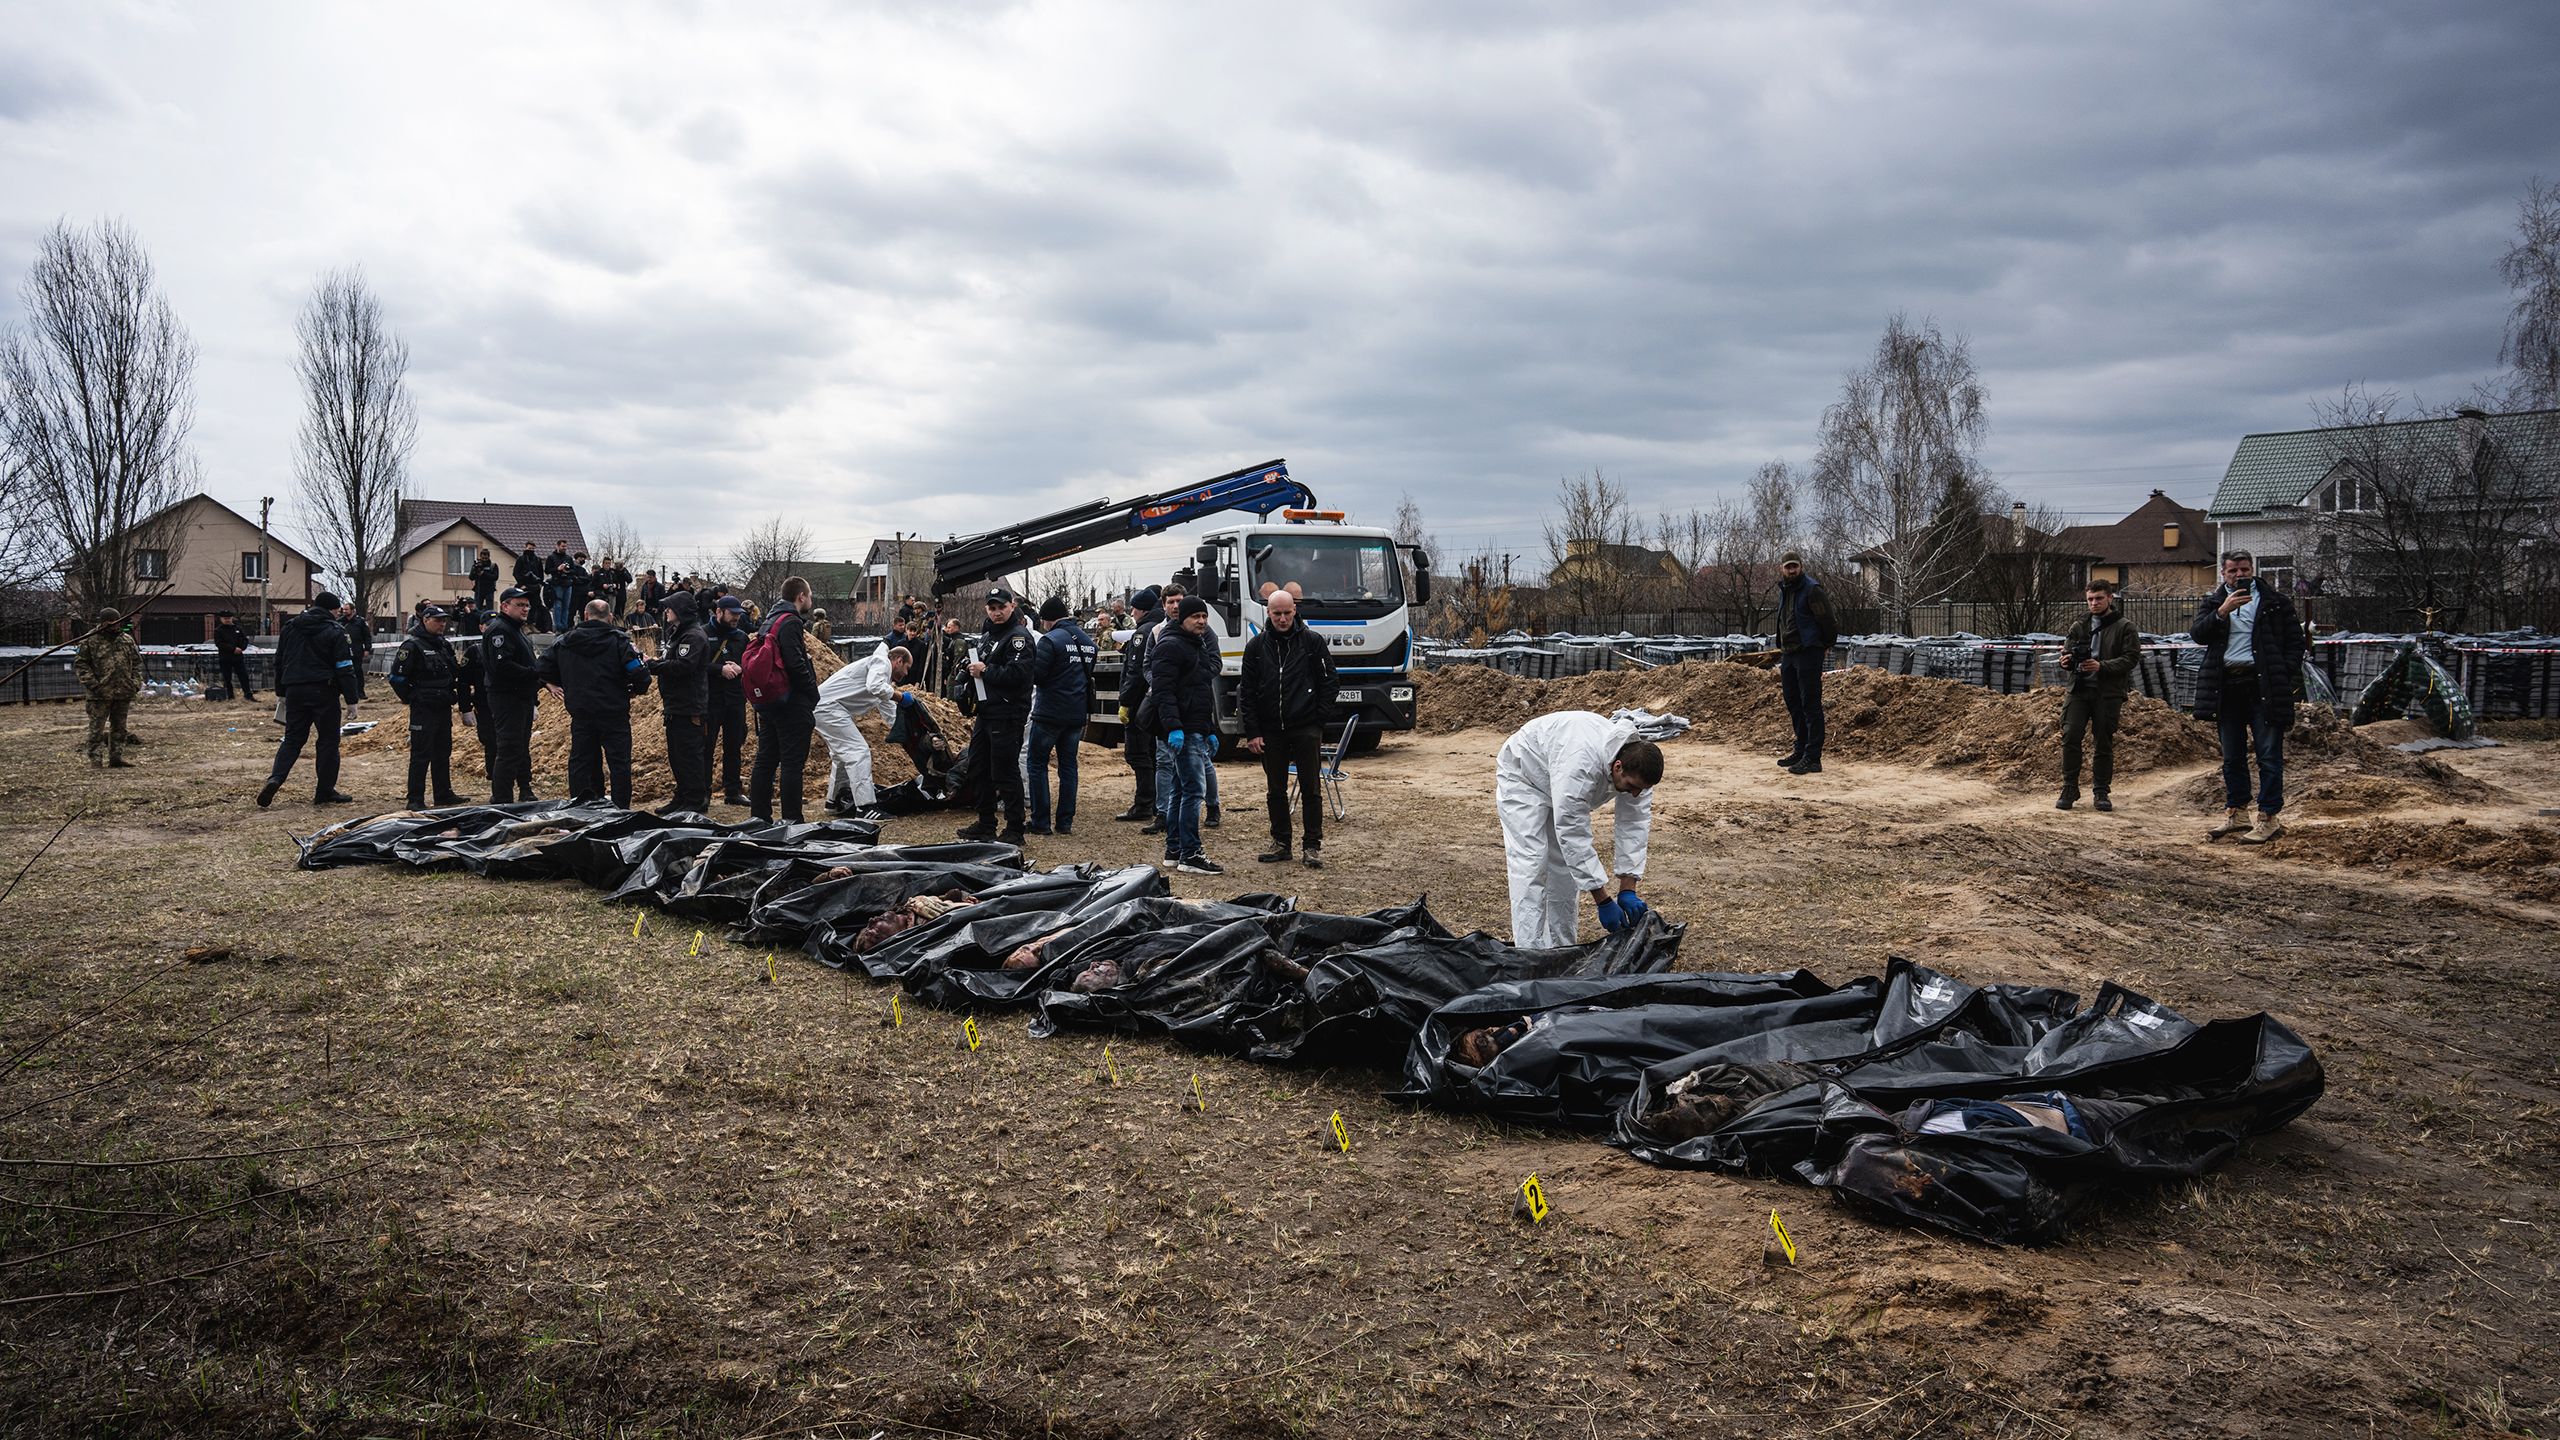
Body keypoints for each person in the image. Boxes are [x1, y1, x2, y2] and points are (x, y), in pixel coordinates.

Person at [1495, 711, 1661, 949]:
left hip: (1557, 773)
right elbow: (1572, 832)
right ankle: (1529, 953)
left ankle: (1562, 948)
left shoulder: (1639, 771)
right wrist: (1603, 900)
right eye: (1632, 787)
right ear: (1617, 767)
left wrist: (1628, 887)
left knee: (1562, 867)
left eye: (1641, 790)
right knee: (1531, 863)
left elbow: (1634, 825)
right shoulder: (1581, 765)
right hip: (1523, 776)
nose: (1635, 794)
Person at [2192, 550, 2303, 844]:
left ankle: (2268, 817)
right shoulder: (2214, 602)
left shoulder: (2275, 603)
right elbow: (2198, 635)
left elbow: (2296, 643)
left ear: (2252, 569)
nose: (2239, 575)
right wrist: (2221, 612)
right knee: (2232, 756)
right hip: (2226, 686)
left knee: (2268, 755)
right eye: (2232, 571)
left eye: (2244, 569)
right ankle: (2237, 813)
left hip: (2262, 686)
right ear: (2223, 573)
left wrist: (2280, 671)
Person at [1239, 589, 1338, 868]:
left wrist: (1318, 721)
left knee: (1311, 789)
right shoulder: (1256, 647)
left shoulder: (1312, 642)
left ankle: (1312, 846)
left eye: (1287, 613)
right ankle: (1281, 842)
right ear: (1268, 613)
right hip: (1271, 730)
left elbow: (1329, 683)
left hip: (1306, 727)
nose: (1282, 619)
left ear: (1294, 611)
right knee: (1275, 790)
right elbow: (1246, 692)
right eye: (1277, 613)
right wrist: (1253, 731)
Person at [539, 599, 650, 808]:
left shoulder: (564, 642)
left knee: (581, 762)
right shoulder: (620, 642)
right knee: (619, 764)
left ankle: (581, 808)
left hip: (581, 713)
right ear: (609, 617)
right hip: (614, 712)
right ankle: (620, 810)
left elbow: (542, 668)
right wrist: (634, 691)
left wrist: (557, 683)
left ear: (585, 615)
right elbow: (641, 675)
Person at [257, 591, 364, 807]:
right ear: (333, 610)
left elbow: (279, 660)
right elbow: (344, 666)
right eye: (337, 611)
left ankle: (276, 778)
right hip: (324, 691)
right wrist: (352, 698)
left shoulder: (291, 627)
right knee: (327, 741)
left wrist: (281, 692)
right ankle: (324, 791)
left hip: (294, 689)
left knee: (293, 739)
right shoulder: (336, 630)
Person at [1145, 596, 1222, 874]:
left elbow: (1201, 690)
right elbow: (1164, 693)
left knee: (1179, 790)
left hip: (1194, 728)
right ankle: (1190, 854)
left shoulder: (1195, 644)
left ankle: (1175, 850)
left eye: (1204, 616)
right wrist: (1174, 727)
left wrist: (1210, 729)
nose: (1201, 621)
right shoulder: (1170, 646)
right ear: (1182, 619)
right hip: (1184, 730)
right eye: (1195, 617)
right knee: (1193, 791)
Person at [955, 588, 1038, 843]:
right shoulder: (989, 635)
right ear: (986, 610)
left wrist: (986, 671)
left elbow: (1019, 676)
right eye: (992, 608)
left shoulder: (1019, 638)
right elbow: (981, 664)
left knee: (1004, 770)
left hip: (1008, 712)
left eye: (1001, 607)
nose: (997, 612)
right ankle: (985, 822)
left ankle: (1014, 829)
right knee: (978, 767)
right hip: (987, 711)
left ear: (1012, 606)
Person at [2057, 579, 2140, 812]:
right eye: (2090, 599)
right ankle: (2069, 787)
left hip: (2108, 692)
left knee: (2103, 740)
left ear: (2110, 598)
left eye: (2099, 598)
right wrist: (2066, 661)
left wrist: (2101, 666)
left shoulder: (2125, 626)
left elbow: (2131, 658)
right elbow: (2068, 651)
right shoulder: (2079, 624)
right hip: (2079, 690)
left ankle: (2101, 791)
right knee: (2070, 734)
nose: (2094, 603)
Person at [749, 576, 822, 824]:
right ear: (801, 596)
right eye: (809, 595)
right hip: (791, 703)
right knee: (792, 763)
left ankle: (759, 818)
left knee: (766, 759)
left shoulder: (769, 621)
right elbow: (795, 663)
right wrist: (812, 692)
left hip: (770, 701)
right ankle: (792, 821)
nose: (810, 600)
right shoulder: (791, 622)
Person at [814, 639, 914, 820]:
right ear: (898, 660)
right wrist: (900, 696)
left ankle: (834, 801)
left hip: (827, 706)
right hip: (827, 707)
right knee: (858, 752)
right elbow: (875, 687)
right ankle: (866, 808)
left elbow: (889, 711)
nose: (906, 674)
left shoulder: (881, 675)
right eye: (906, 667)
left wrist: (906, 733)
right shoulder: (881, 662)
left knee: (842, 755)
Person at [388, 603, 472, 808]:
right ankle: (415, 799)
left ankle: (443, 794)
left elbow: (453, 674)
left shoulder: (443, 644)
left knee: (442, 752)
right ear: (425, 620)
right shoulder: (412, 646)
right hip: (423, 709)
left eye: (444, 620)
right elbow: (397, 679)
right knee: (421, 755)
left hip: (443, 706)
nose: (442, 624)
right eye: (437, 620)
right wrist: (413, 698)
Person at [1027, 594, 1096, 837]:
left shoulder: (1049, 641)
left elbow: (1038, 676)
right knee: (1068, 766)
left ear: (1047, 620)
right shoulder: (1089, 642)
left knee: (1036, 764)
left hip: (1049, 712)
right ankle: (1065, 823)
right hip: (1077, 713)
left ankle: (1041, 822)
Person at [647, 591, 716, 814]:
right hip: (677, 704)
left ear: (681, 611)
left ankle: (695, 800)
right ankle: (683, 795)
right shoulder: (679, 634)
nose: (666, 612)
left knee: (689, 755)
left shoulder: (693, 636)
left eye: (670, 608)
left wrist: (655, 666)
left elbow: (684, 666)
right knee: (677, 755)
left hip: (689, 706)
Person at [1773, 552, 1836, 775]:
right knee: (1793, 701)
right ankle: (1801, 749)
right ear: (1782, 569)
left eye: (1795, 566)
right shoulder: (1786, 590)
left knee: (1810, 703)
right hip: (1789, 653)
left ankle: (1813, 757)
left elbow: (1827, 619)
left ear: (1801, 567)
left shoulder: (1811, 590)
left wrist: (1825, 643)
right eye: (1788, 567)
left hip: (1808, 652)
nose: (1792, 570)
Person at [483, 586, 543, 801]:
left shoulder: (516, 629)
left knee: (520, 747)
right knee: (509, 749)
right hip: (507, 697)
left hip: (521, 697)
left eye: (527, 605)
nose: (525, 609)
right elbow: (503, 666)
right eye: (520, 605)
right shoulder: (500, 630)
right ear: (505, 606)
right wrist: (534, 672)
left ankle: (523, 790)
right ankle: (502, 799)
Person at [1112, 585, 1164, 823]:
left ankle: (1144, 804)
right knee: (1152, 754)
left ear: (1141, 610)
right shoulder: (1162, 627)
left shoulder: (1143, 632)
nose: (1131, 613)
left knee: (1137, 754)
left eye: (1133, 608)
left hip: (1139, 703)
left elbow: (1134, 672)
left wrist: (1125, 702)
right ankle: (1155, 802)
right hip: (1154, 700)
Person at [73, 608, 142, 768]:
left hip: (123, 691)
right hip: (99, 694)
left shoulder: (126, 640)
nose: (115, 626)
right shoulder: (90, 641)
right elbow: (81, 664)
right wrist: (94, 685)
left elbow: (137, 663)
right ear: (103, 622)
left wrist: (135, 683)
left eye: (117, 622)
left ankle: (116, 757)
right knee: (96, 728)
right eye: (111, 622)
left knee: (120, 728)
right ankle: (96, 760)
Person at [705, 594, 752, 805]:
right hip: (711, 699)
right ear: (719, 612)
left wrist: (742, 668)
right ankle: (703, 791)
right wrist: (719, 669)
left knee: (734, 746)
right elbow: (695, 666)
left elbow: (749, 662)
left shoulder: (741, 637)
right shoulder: (703, 634)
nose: (736, 618)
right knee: (706, 747)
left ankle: (732, 791)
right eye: (732, 614)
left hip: (735, 699)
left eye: (738, 615)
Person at [453, 622, 498, 786]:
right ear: (481, 628)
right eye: (489, 625)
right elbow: (463, 682)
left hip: (506, 703)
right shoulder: (475, 651)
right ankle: (493, 775)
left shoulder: (507, 646)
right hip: (484, 703)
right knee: (490, 741)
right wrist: (465, 708)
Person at [212, 608, 256, 701]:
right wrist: (233, 649)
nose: (227, 620)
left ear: (232, 618)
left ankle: (248, 695)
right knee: (227, 678)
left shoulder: (237, 628)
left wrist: (241, 648)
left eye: (228, 618)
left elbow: (245, 639)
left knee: (243, 676)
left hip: (238, 657)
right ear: (221, 619)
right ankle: (230, 696)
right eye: (225, 618)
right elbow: (219, 644)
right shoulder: (218, 630)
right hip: (225, 657)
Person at [545, 540, 577, 631]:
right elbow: (547, 570)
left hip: (567, 584)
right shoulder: (551, 557)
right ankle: (558, 626)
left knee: (566, 606)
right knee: (558, 605)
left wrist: (567, 571)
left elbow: (574, 570)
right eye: (563, 546)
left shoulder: (568, 558)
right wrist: (557, 569)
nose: (564, 548)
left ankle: (564, 626)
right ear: (558, 546)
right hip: (557, 584)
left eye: (565, 547)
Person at [514, 544, 548, 630]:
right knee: (523, 605)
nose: (531, 550)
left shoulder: (537, 560)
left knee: (534, 606)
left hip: (535, 586)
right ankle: (524, 625)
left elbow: (540, 573)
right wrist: (521, 584)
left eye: (533, 548)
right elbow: (516, 573)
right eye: (529, 548)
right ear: (525, 548)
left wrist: (539, 584)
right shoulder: (521, 559)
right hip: (524, 586)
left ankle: (531, 624)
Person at [338, 598, 374, 668]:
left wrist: (367, 649)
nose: (344, 611)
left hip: (357, 651)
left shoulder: (360, 622)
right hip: (343, 651)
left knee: (357, 670)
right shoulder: (340, 622)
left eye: (347, 609)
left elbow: (367, 636)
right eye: (344, 609)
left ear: (352, 610)